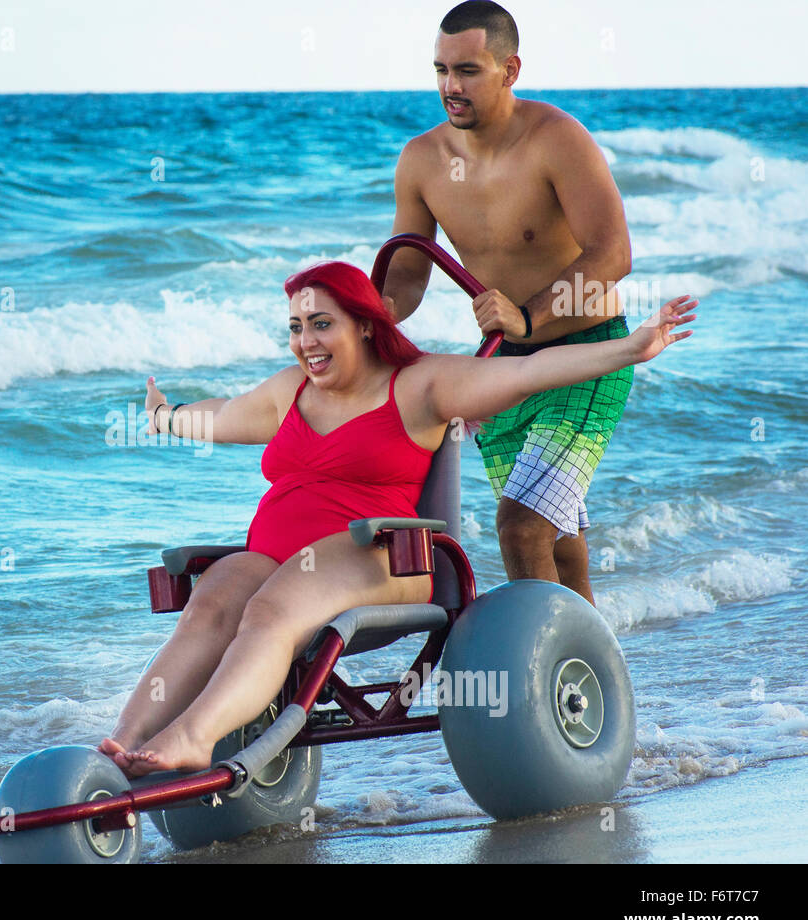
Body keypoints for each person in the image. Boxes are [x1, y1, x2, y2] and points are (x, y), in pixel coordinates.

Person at [100, 260, 696, 777]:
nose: (306, 341)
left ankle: (193, 737)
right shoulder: (291, 391)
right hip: (275, 560)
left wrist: (629, 349)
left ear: (364, 323)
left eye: (321, 323)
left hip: (379, 555)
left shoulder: (419, 385)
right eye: (296, 327)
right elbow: (223, 416)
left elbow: (522, 375)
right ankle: (120, 747)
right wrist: (166, 416)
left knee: (268, 609)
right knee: (211, 602)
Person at [379, 0, 633, 605]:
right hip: (500, 364)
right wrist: (364, 324)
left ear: (509, 70)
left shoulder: (556, 139)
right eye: (440, 69)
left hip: (585, 355)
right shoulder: (422, 160)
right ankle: (590, 677)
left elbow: (612, 253)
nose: (449, 86)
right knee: (559, 537)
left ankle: (539, 672)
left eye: (467, 70)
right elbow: (407, 276)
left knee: (521, 527)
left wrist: (530, 314)